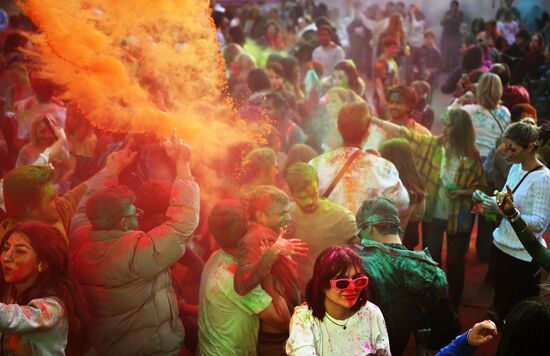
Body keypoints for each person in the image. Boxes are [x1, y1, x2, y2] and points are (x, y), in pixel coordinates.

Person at [69, 137, 200, 355]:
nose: (138, 216)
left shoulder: (80, 237)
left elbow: (84, 204)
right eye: (134, 212)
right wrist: (183, 165)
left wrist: (112, 169)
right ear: (122, 222)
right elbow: (182, 223)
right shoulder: (137, 253)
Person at [371, 109, 487, 309]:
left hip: (458, 216)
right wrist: (375, 120)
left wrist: (461, 192)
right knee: (431, 258)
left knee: (455, 262)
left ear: (460, 130)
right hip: (433, 213)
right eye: (446, 124)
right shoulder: (435, 145)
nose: (445, 129)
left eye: (450, 126)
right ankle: (435, 301)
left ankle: (454, 304)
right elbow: (404, 133)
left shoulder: (471, 155)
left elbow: (481, 186)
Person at [356, 198, 460, 356]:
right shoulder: (430, 270)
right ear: (397, 227)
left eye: (360, 232)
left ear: (369, 227)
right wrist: (422, 338)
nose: (359, 238)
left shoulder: (353, 266)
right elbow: (448, 330)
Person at [198, 199, 288, 356]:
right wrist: (266, 267)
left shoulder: (215, 257)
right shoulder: (236, 276)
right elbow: (282, 320)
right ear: (247, 227)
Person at [486, 122, 550, 323]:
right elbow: (505, 200)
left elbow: (540, 223)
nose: (506, 152)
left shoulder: (543, 178)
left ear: (530, 148)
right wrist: (487, 204)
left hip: (522, 257)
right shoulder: (515, 168)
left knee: (518, 315)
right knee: (502, 304)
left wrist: (509, 213)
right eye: (506, 146)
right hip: (501, 246)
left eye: (512, 148)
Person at [234, 185, 308, 355]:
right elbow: (241, 284)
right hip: (275, 342)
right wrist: (272, 253)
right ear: (260, 215)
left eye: (287, 211)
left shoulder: (270, 233)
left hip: (288, 333)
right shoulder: (253, 237)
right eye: (281, 213)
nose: (288, 217)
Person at [286, 246, 391, 355]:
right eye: (342, 283)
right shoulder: (304, 318)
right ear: (322, 285)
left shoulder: (371, 313)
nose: (352, 288)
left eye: (358, 280)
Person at [0, 222, 86, 355]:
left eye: (20, 251)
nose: (6, 257)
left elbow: (10, 317)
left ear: (43, 264)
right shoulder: (12, 293)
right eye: (6, 248)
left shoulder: (52, 309)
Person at [309, 102, 410, 214]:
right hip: (366, 230)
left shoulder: (315, 165)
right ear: (367, 132)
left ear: (338, 129)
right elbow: (403, 203)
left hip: (329, 230)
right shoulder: (384, 168)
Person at [285, 162, 357, 293]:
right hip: (301, 294)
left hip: (335, 294)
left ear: (318, 186)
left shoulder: (342, 217)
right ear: (291, 193)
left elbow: (364, 252)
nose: (309, 201)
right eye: (302, 197)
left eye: (313, 194)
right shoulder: (286, 215)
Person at [454, 73, 511, 163]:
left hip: (471, 161)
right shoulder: (505, 112)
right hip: (493, 163)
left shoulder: (468, 111)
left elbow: (447, 118)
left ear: (479, 90)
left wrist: (461, 99)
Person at [379, 138, 426, 245]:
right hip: (409, 238)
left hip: (389, 242)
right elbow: (420, 214)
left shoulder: (388, 185)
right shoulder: (417, 183)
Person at [374, 36, 400, 118]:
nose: (396, 50)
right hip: (383, 97)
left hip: (391, 97)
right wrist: (382, 98)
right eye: (393, 48)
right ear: (386, 48)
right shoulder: (381, 61)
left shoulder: (392, 61)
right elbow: (377, 79)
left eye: (396, 48)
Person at [440, 1, 464, 72]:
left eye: (454, 6)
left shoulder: (460, 14)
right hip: (447, 35)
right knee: (446, 52)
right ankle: (445, 67)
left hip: (455, 36)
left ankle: (454, 68)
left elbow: (459, 23)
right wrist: (446, 19)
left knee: (455, 53)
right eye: (451, 6)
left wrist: (451, 19)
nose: (452, 7)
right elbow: (442, 23)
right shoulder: (447, 13)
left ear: (457, 7)